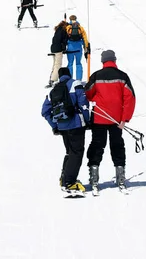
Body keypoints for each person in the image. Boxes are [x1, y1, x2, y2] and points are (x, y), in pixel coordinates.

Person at [84, 49, 136, 193]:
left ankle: (94, 178)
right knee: (117, 146)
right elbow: (130, 98)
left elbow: (87, 94)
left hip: (99, 117)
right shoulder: (122, 76)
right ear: (114, 60)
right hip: (117, 120)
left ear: (102, 61)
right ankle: (120, 178)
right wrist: (125, 119)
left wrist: (94, 97)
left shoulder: (96, 76)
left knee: (96, 146)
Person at [41, 67, 90, 196]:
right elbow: (83, 103)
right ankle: (70, 182)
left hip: (62, 126)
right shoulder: (75, 84)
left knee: (69, 152)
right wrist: (87, 120)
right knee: (77, 153)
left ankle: (64, 179)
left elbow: (44, 111)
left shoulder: (54, 90)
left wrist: (55, 125)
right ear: (69, 74)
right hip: (76, 124)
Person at [65, 15, 89, 81]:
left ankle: (70, 79)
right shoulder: (80, 28)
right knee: (78, 63)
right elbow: (85, 38)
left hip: (70, 48)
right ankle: (79, 79)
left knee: (70, 64)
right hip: (78, 48)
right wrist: (85, 47)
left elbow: (64, 37)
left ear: (70, 20)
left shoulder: (67, 27)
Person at [46, 20, 69, 88]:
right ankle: (54, 80)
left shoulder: (57, 29)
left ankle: (51, 78)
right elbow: (64, 41)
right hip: (58, 49)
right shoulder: (63, 31)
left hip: (53, 48)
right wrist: (64, 48)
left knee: (54, 64)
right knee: (58, 65)